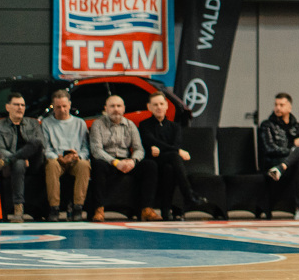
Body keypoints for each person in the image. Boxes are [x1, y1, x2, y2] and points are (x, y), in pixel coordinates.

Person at [138, 92, 209, 220]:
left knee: (170, 168)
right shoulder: (144, 125)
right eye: (155, 105)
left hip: (168, 161)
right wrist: (178, 150)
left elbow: (172, 144)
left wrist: (166, 148)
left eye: (161, 104)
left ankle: (166, 211)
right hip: (151, 161)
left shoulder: (175, 127)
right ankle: (188, 194)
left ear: (166, 106)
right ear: (149, 107)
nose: (159, 107)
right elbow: (151, 141)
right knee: (174, 156)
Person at [259, 93, 299, 221]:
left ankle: (281, 168)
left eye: (281, 105)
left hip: (286, 165)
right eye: (276, 105)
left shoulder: (298, 127)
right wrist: (293, 150)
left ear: (290, 107)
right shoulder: (267, 125)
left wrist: (298, 151)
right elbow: (269, 149)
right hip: (273, 162)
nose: (278, 108)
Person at [0, 94, 41, 223]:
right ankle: (18, 208)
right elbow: (0, 149)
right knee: (19, 163)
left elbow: (40, 144)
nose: (20, 108)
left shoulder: (33, 123)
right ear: (7, 107)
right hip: (15, 164)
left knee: (36, 142)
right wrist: (19, 157)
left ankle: (1, 163)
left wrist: (24, 156)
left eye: (22, 105)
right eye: (16, 104)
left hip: (34, 161)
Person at [89, 95, 144, 222]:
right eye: (112, 106)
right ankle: (99, 209)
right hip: (108, 161)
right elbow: (96, 150)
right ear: (106, 109)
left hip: (126, 161)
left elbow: (139, 149)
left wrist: (133, 161)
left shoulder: (130, 125)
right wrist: (115, 162)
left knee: (150, 166)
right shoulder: (98, 124)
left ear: (124, 108)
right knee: (98, 165)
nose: (116, 109)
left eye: (119, 106)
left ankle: (146, 209)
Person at [41, 90, 89, 222]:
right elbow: (46, 148)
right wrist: (58, 157)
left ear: (69, 105)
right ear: (53, 107)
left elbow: (86, 148)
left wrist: (78, 156)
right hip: (57, 159)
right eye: (58, 107)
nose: (62, 110)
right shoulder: (46, 123)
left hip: (75, 159)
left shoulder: (80, 123)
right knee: (51, 165)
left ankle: (78, 208)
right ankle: (54, 208)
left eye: (64, 106)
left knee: (84, 165)